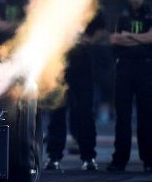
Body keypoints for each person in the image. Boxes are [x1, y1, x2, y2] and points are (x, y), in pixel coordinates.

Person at [107, 0, 152, 173]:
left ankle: (149, 160)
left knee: (146, 115)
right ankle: (119, 159)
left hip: (145, 67)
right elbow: (114, 38)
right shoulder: (119, 13)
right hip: (124, 67)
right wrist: (142, 39)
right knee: (123, 116)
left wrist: (129, 37)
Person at [45, 11, 107, 171]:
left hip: (83, 67)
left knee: (85, 112)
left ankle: (89, 157)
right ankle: (53, 156)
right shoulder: (55, 2)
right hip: (59, 66)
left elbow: (102, 29)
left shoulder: (89, 1)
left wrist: (90, 40)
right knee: (57, 112)